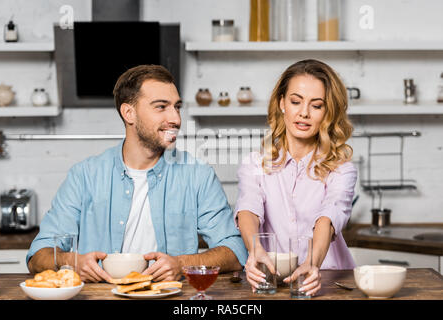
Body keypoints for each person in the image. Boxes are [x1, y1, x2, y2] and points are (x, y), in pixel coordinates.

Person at [27, 64, 247, 282]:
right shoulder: (84, 176)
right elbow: (38, 255)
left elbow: (235, 251)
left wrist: (181, 264)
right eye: (161, 107)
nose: (176, 119)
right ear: (128, 113)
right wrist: (72, 262)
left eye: (177, 107)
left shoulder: (198, 176)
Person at [234, 59, 357, 296]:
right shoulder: (255, 164)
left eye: (317, 105)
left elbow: (328, 216)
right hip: (275, 282)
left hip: (330, 282)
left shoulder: (342, 168)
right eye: (295, 101)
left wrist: (312, 262)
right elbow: (248, 207)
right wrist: (254, 250)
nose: (304, 113)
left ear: (328, 111)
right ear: (282, 103)